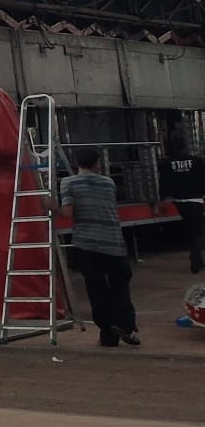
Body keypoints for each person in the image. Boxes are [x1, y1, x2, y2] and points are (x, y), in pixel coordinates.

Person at [61, 146, 137, 348]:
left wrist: (50, 205)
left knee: (97, 288)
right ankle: (126, 325)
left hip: (86, 243)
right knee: (120, 284)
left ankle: (108, 333)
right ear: (97, 164)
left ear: (77, 163)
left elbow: (68, 212)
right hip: (113, 241)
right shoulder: (109, 183)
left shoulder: (68, 183)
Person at [158, 135, 205, 275]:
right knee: (197, 231)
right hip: (195, 199)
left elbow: (164, 182)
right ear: (186, 146)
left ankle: (197, 258)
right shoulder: (198, 161)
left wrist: (165, 198)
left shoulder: (167, 163)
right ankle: (196, 260)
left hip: (179, 201)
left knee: (191, 229)